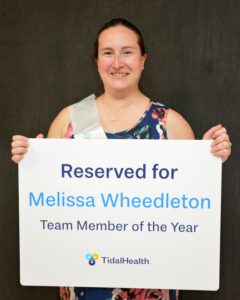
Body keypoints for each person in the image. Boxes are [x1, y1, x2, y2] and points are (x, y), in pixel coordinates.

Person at [11, 18, 231, 300]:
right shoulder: (69, 120)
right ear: (97, 60)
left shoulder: (171, 124)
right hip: (84, 274)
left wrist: (210, 160)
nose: (117, 63)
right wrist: (33, 163)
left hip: (151, 278)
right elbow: (50, 200)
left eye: (127, 52)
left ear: (143, 59)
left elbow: (194, 206)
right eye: (107, 53)